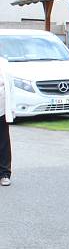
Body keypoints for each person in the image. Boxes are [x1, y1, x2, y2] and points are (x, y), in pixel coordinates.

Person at [0, 57, 14, 186]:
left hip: (1, 109)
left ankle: (4, 173)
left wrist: (12, 109)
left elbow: (10, 87)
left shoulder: (4, 63)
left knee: (3, 142)